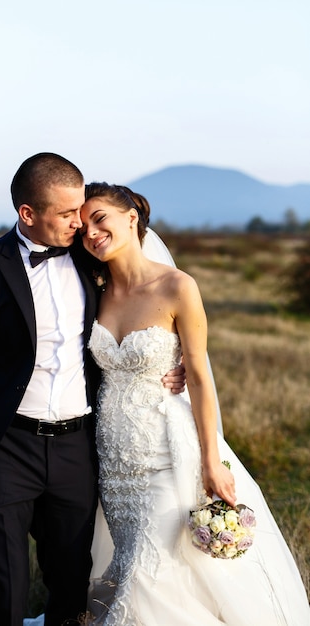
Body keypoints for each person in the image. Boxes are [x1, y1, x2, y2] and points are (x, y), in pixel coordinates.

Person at [0, 153, 185, 626]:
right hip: (4, 448)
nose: (80, 223)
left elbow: (152, 304)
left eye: (81, 210)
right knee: (4, 588)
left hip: (79, 447)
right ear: (28, 214)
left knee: (71, 583)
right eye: (66, 214)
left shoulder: (91, 255)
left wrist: (171, 362)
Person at [79, 182, 310, 626]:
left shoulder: (177, 287)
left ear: (131, 217)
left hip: (166, 450)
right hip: (112, 460)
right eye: (84, 225)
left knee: (152, 573)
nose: (91, 232)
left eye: (100, 218)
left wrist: (211, 460)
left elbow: (200, 376)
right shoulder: (95, 289)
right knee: (135, 561)